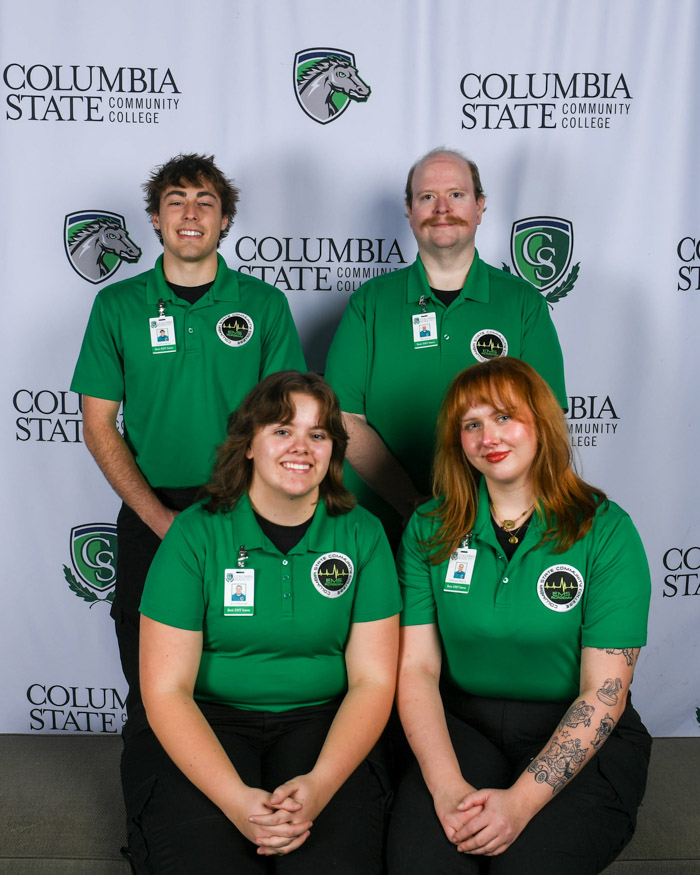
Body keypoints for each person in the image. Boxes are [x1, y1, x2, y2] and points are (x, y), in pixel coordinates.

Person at [123, 371, 401, 873]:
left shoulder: (364, 534)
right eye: (281, 430)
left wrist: (318, 786)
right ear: (248, 444)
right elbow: (165, 691)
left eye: (317, 434)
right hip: (206, 721)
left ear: (333, 451)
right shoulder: (194, 533)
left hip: (323, 723)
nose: (301, 447)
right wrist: (235, 800)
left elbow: (374, 680)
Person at [386, 357, 651, 874]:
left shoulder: (606, 530)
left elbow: (603, 692)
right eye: (472, 424)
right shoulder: (427, 529)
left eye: (505, 416)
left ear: (542, 424)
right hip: (463, 725)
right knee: (423, 862)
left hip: (575, 726)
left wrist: (520, 804)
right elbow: (416, 669)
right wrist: (446, 789)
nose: (490, 436)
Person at [70, 154, 306, 721]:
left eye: (206, 202)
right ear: (154, 218)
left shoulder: (264, 304)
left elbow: (287, 422)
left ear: (225, 220)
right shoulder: (117, 305)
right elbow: (99, 425)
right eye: (176, 201)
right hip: (152, 513)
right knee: (151, 677)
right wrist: (159, 520)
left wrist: (248, 511)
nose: (191, 213)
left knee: (242, 667)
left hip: (246, 511)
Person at [324, 148, 566, 544]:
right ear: (409, 209)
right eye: (426, 197)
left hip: (496, 528)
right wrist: (410, 504)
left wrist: (482, 508)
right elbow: (344, 418)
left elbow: (546, 416)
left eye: (456, 194)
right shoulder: (370, 302)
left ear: (480, 206)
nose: (442, 208)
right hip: (383, 527)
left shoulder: (523, 303)